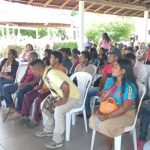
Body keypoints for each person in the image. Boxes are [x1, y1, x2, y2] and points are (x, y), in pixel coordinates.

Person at [30, 59, 80, 149]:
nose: (32, 72)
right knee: (43, 105)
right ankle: (48, 130)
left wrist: (64, 101)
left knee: (58, 111)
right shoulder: (47, 72)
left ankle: (58, 140)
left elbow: (65, 86)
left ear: (37, 69)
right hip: (59, 94)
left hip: (72, 96)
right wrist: (45, 90)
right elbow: (54, 85)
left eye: (32, 70)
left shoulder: (51, 74)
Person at [89, 59, 137, 150]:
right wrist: (101, 110)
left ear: (123, 71)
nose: (112, 68)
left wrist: (108, 116)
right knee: (93, 119)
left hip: (126, 113)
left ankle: (108, 145)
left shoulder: (129, 86)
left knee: (105, 125)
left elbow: (125, 108)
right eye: (113, 66)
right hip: (110, 109)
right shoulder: (111, 80)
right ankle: (113, 135)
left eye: (115, 67)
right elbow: (104, 97)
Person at [20, 51, 67, 127]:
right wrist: (39, 85)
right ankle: (24, 116)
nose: (49, 58)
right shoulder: (49, 67)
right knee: (27, 96)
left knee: (39, 99)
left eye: (51, 57)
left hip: (51, 91)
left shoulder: (61, 69)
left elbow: (57, 86)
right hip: (42, 88)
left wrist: (45, 90)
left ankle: (36, 120)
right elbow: (42, 78)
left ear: (57, 59)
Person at [85, 48, 121, 118]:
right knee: (87, 92)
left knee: (108, 97)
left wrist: (105, 91)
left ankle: (105, 110)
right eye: (108, 56)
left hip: (114, 91)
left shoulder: (121, 67)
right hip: (105, 88)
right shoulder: (107, 66)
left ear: (116, 57)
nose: (108, 57)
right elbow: (103, 79)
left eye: (110, 56)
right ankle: (88, 112)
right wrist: (100, 89)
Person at [3, 52, 39, 119]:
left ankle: (19, 111)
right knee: (5, 88)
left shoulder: (39, 66)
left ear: (36, 58)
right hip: (23, 83)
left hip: (31, 85)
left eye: (30, 57)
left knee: (20, 92)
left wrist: (25, 84)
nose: (28, 58)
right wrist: (20, 82)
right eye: (29, 56)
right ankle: (11, 107)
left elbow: (37, 80)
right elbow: (25, 75)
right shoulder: (29, 64)